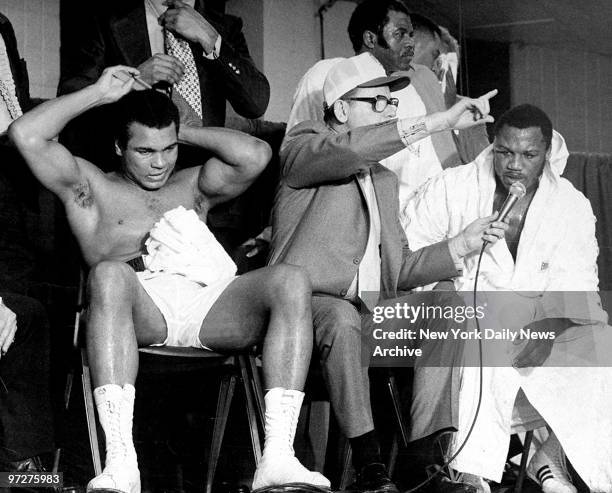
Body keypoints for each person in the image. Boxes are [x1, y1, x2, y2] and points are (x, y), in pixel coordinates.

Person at [10, 65, 329, 493]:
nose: (160, 163)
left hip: (208, 308)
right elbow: (26, 135)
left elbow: (255, 153)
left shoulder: (192, 185)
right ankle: (121, 461)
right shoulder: (90, 187)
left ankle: (278, 458)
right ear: (119, 147)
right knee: (108, 274)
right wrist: (100, 93)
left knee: (290, 278)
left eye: (168, 149)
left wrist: (184, 128)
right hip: (137, 309)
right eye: (145, 151)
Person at [269, 52, 506, 493]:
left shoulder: (383, 179)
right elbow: (352, 149)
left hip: (367, 316)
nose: (389, 110)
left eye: (392, 103)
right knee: (341, 318)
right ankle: (369, 466)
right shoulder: (304, 146)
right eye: (377, 102)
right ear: (341, 109)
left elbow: (400, 269)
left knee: (448, 304)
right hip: (303, 309)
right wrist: (438, 122)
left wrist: (461, 245)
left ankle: (426, 459)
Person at [402, 104, 612, 493]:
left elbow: (581, 286)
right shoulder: (453, 187)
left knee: (604, 347)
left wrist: (549, 327)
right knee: (483, 346)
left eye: (529, 155)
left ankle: (549, 457)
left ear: (547, 153)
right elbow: (406, 260)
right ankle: (468, 473)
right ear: (493, 146)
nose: (515, 165)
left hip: (539, 320)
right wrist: (458, 249)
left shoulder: (569, 205)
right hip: (465, 316)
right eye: (505, 152)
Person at [286, 0, 467, 206]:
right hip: (346, 215)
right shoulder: (324, 74)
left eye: (411, 35)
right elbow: (298, 157)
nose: (410, 44)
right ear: (370, 38)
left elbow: (427, 168)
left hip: (411, 223)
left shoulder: (410, 88)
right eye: (400, 34)